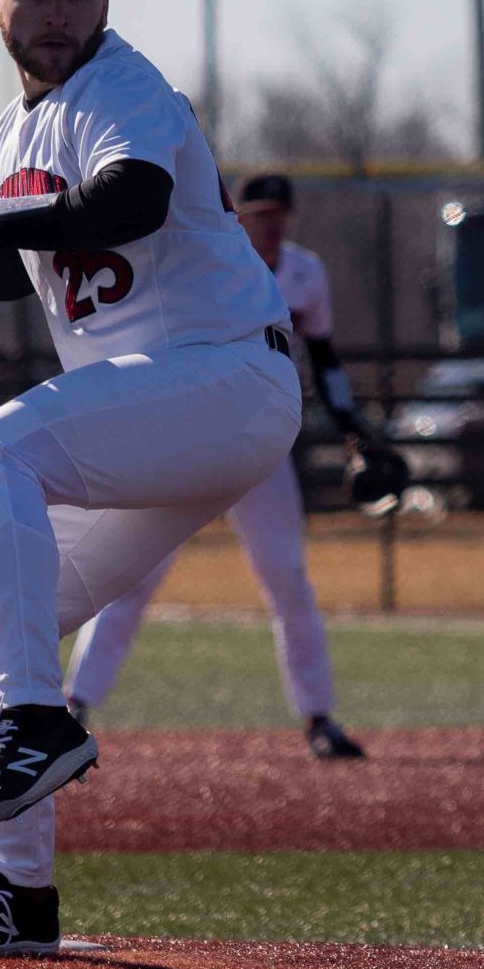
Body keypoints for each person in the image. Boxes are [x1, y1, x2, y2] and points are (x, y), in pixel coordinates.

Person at [0, 0, 301, 960]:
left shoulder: (123, 86)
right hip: (162, 411)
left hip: (227, 378)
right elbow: (70, 274)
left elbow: (128, 206)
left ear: (103, 4)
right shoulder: (15, 130)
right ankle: (20, 899)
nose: (58, 12)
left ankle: (36, 723)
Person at [65, 172, 382, 760]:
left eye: (280, 213)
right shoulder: (208, 259)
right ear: (239, 216)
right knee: (131, 575)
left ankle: (318, 716)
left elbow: (325, 356)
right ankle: (74, 704)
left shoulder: (305, 272)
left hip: (261, 442)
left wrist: (352, 431)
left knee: (288, 578)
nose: (272, 223)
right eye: (261, 212)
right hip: (186, 439)